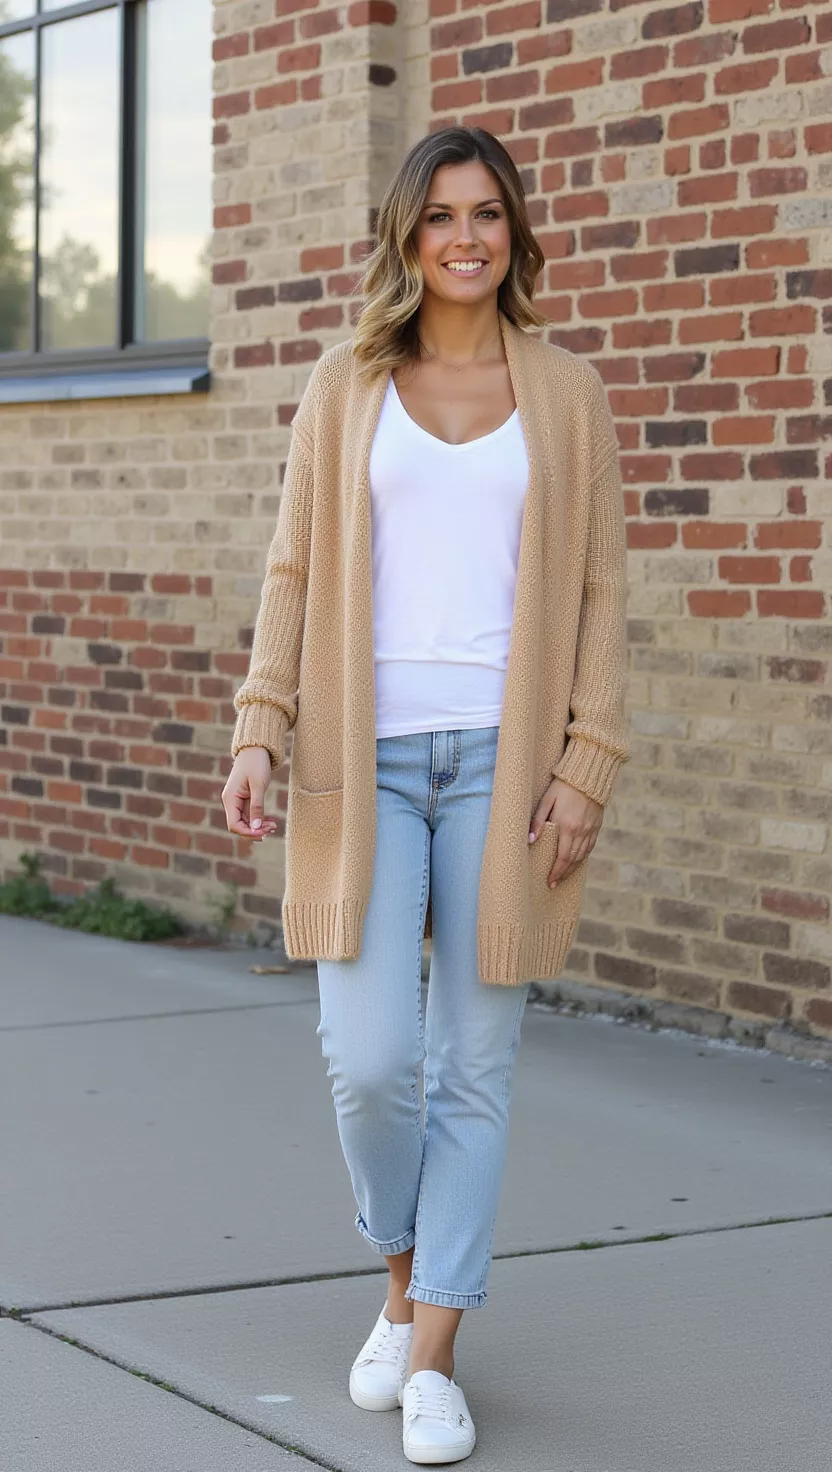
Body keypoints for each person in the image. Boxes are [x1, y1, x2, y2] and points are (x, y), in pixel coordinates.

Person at [222, 126, 629, 1466]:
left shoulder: (567, 393)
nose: (467, 237)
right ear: (408, 233)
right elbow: (291, 569)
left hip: (507, 772)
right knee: (371, 1064)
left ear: (515, 233)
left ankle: (437, 1351)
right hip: (368, 764)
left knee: (473, 1066)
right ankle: (401, 1287)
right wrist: (260, 729)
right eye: (443, 214)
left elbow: (601, 595)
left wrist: (586, 764)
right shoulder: (346, 386)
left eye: (488, 213)